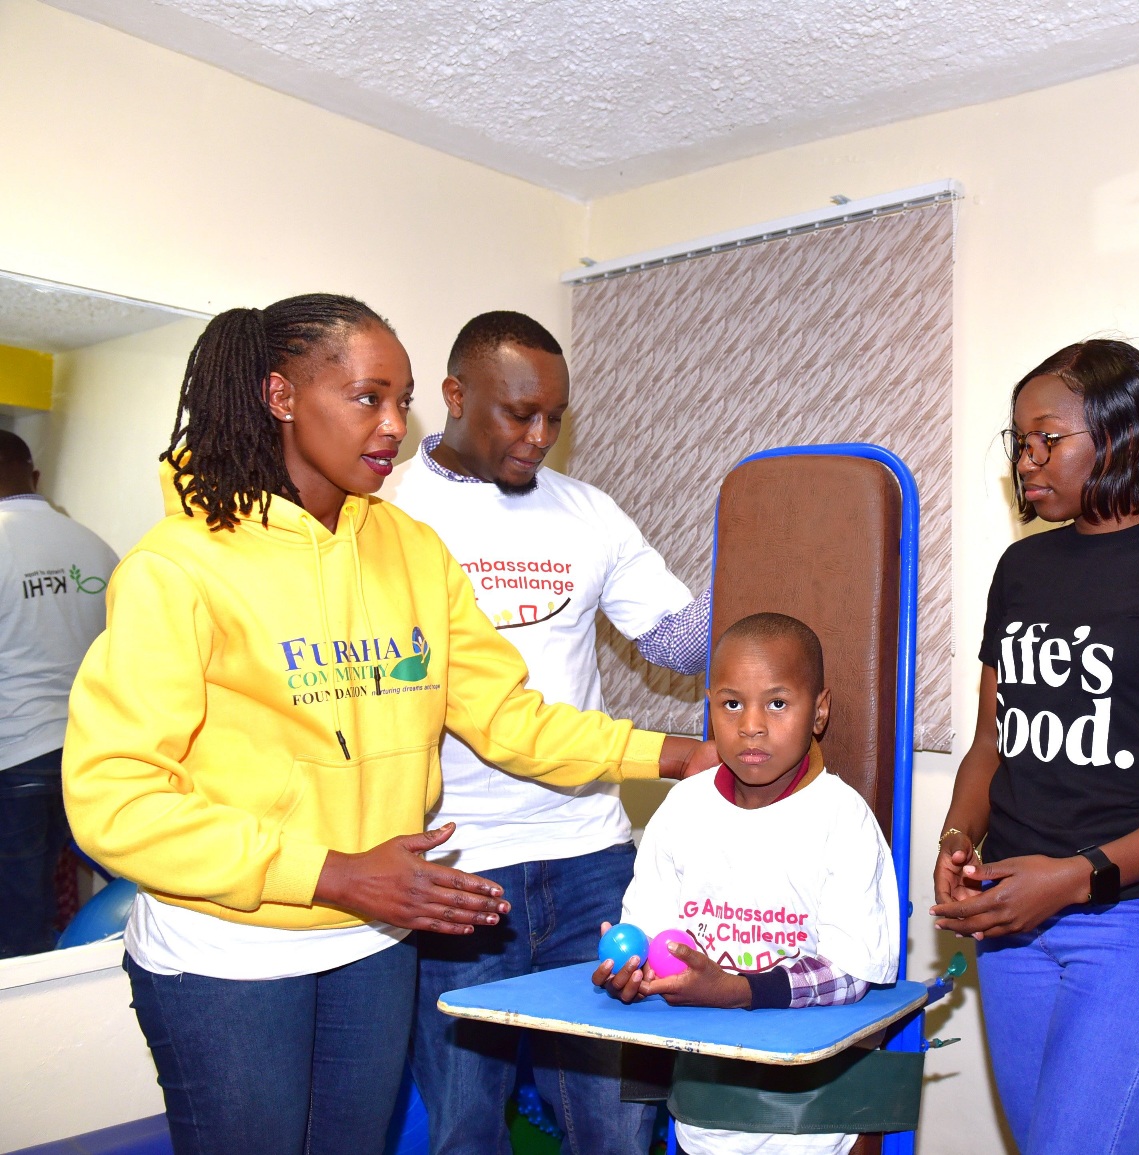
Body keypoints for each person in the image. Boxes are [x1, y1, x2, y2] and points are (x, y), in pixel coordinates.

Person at [60, 294, 703, 1155]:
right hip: (229, 954)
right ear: (281, 396)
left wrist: (672, 753)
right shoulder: (177, 565)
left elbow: (507, 717)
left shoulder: (410, 548)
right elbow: (116, 799)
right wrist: (331, 871)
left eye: (402, 400)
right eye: (369, 397)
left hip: (372, 943)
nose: (395, 425)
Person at [385, 310, 711, 1154]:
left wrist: (771, 569)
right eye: (518, 413)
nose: (539, 437)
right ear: (455, 396)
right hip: (456, 865)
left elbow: (674, 642)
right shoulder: (388, 516)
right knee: (465, 1125)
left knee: (616, 1124)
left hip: (590, 856)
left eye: (555, 419)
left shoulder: (588, 512)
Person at [929, 339, 1139, 1155]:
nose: (1026, 461)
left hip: (1135, 920)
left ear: (1121, 436)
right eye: (1019, 442)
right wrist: (957, 837)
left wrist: (1076, 876)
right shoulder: (1022, 567)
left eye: (1048, 439)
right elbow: (989, 747)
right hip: (1012, 920)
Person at [595, 612, 901, 1155]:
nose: (751, 725)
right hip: (707, 1112)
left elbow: (853, 975)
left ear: (819, 711)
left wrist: (737, 992)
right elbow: (648, 930)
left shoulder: (842, 819)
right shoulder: (683, 809)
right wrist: (632, 971)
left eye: (777, 704)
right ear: (709, 706)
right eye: (731, 704)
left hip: (818, 1118)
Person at [0, 430, 117, 957]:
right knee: (113, 890)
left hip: (14, 755)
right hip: (91, 753)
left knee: (18, 916)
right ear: (36, 476)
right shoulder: (94, 546)